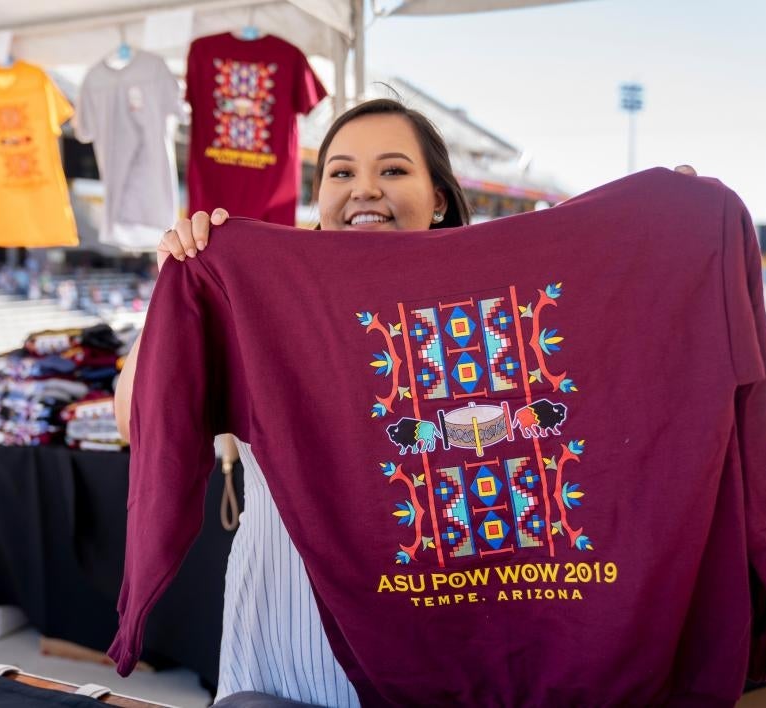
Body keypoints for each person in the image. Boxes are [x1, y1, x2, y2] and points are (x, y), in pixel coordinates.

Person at [115, 98, 698, 707]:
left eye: (392, 170)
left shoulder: (505, 295)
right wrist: (174, 294)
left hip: (459, 633)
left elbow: (616, 362)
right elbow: (136, 420)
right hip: (293, 628)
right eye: (340, 173)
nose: (364, 189)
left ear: (439, 196)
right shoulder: (259, 299)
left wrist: (663, 234)